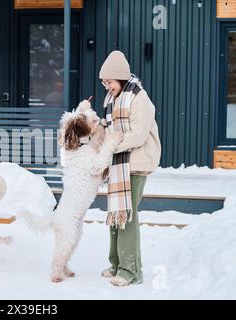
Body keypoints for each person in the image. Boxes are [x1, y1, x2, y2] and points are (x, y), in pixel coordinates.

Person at [98, 51, 161, 286]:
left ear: (121, 78)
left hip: (136, 162)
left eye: (110, 82)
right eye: (104, 82)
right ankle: (116, 263)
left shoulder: (139, 98)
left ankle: (130, 269)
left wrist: (110, 147)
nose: (107, 86)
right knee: (116, 214)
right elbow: (107, 127)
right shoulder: (113, 99)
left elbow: (138, 135)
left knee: (127, 215)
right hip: (119, 163)